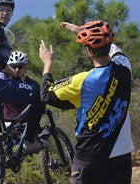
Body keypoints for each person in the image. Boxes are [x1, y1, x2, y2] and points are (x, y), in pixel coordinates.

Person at [39, 20, 134, 184]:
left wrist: (47, 64)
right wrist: (81, 31)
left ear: (88, 52)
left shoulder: (82, 81)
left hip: (90, 157)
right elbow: (115, 50)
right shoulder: (124, 66)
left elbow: (46, 94)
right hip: (122, 154)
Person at [0, 0, 45, 154]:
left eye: (8, 10)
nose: (5, 13)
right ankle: (30, 140)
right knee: (37, 92)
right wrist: (14, 75)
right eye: (1, 10)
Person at [3, 50, 46, 151]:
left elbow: (39, 106)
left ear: (25, 67)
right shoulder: (6, 83)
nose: (17, 69)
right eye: (14, 66)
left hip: (27, 127)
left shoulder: (34, 85)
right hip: (9, 125)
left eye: (20, 66)